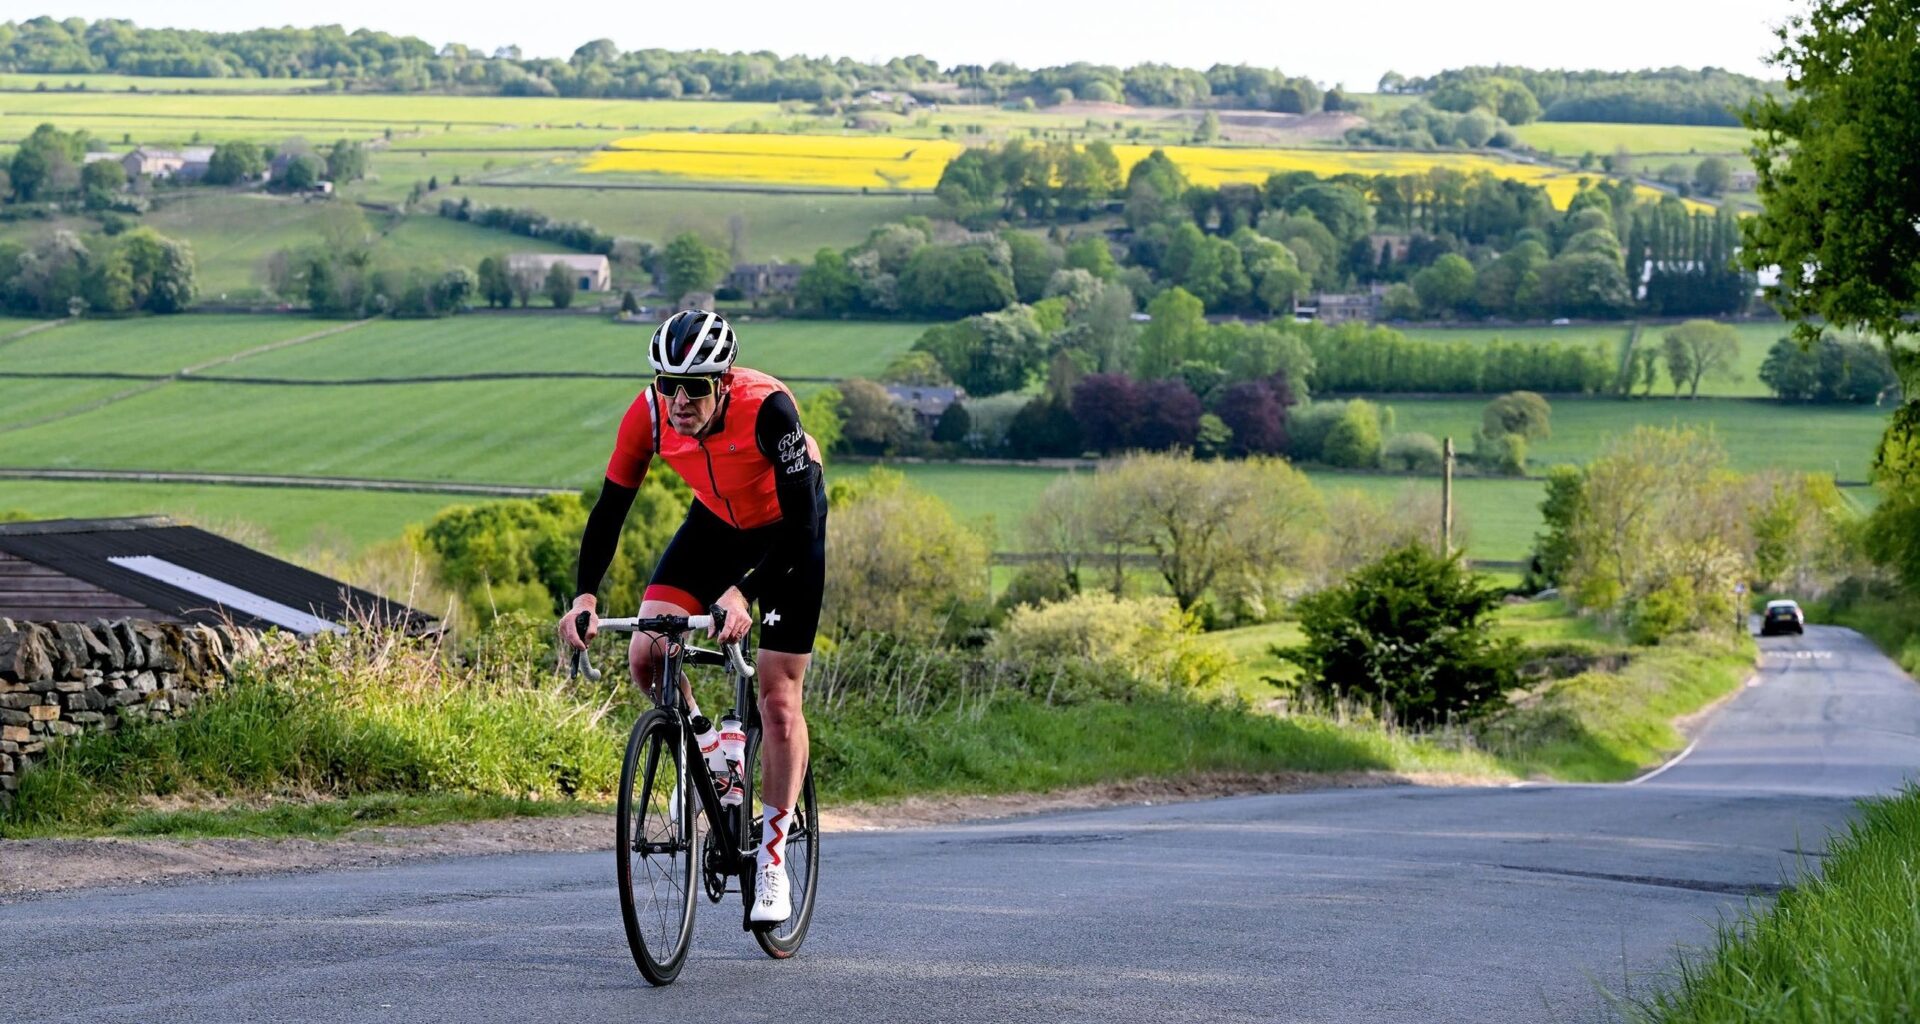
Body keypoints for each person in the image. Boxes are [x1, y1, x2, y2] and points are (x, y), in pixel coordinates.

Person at [560, 309, 826, 925]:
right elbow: (610, 509)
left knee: (779, 698)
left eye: (695, 387)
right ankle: (712, 751)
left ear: (723, 383)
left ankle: (773, 857)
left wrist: (744, 593)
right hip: (715, 524)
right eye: (667, 384)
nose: (679, 400)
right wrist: (585, 597)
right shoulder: (648, 414)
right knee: (648, 654)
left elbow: (801, 526)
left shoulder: (769, 411)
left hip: (788, 532)